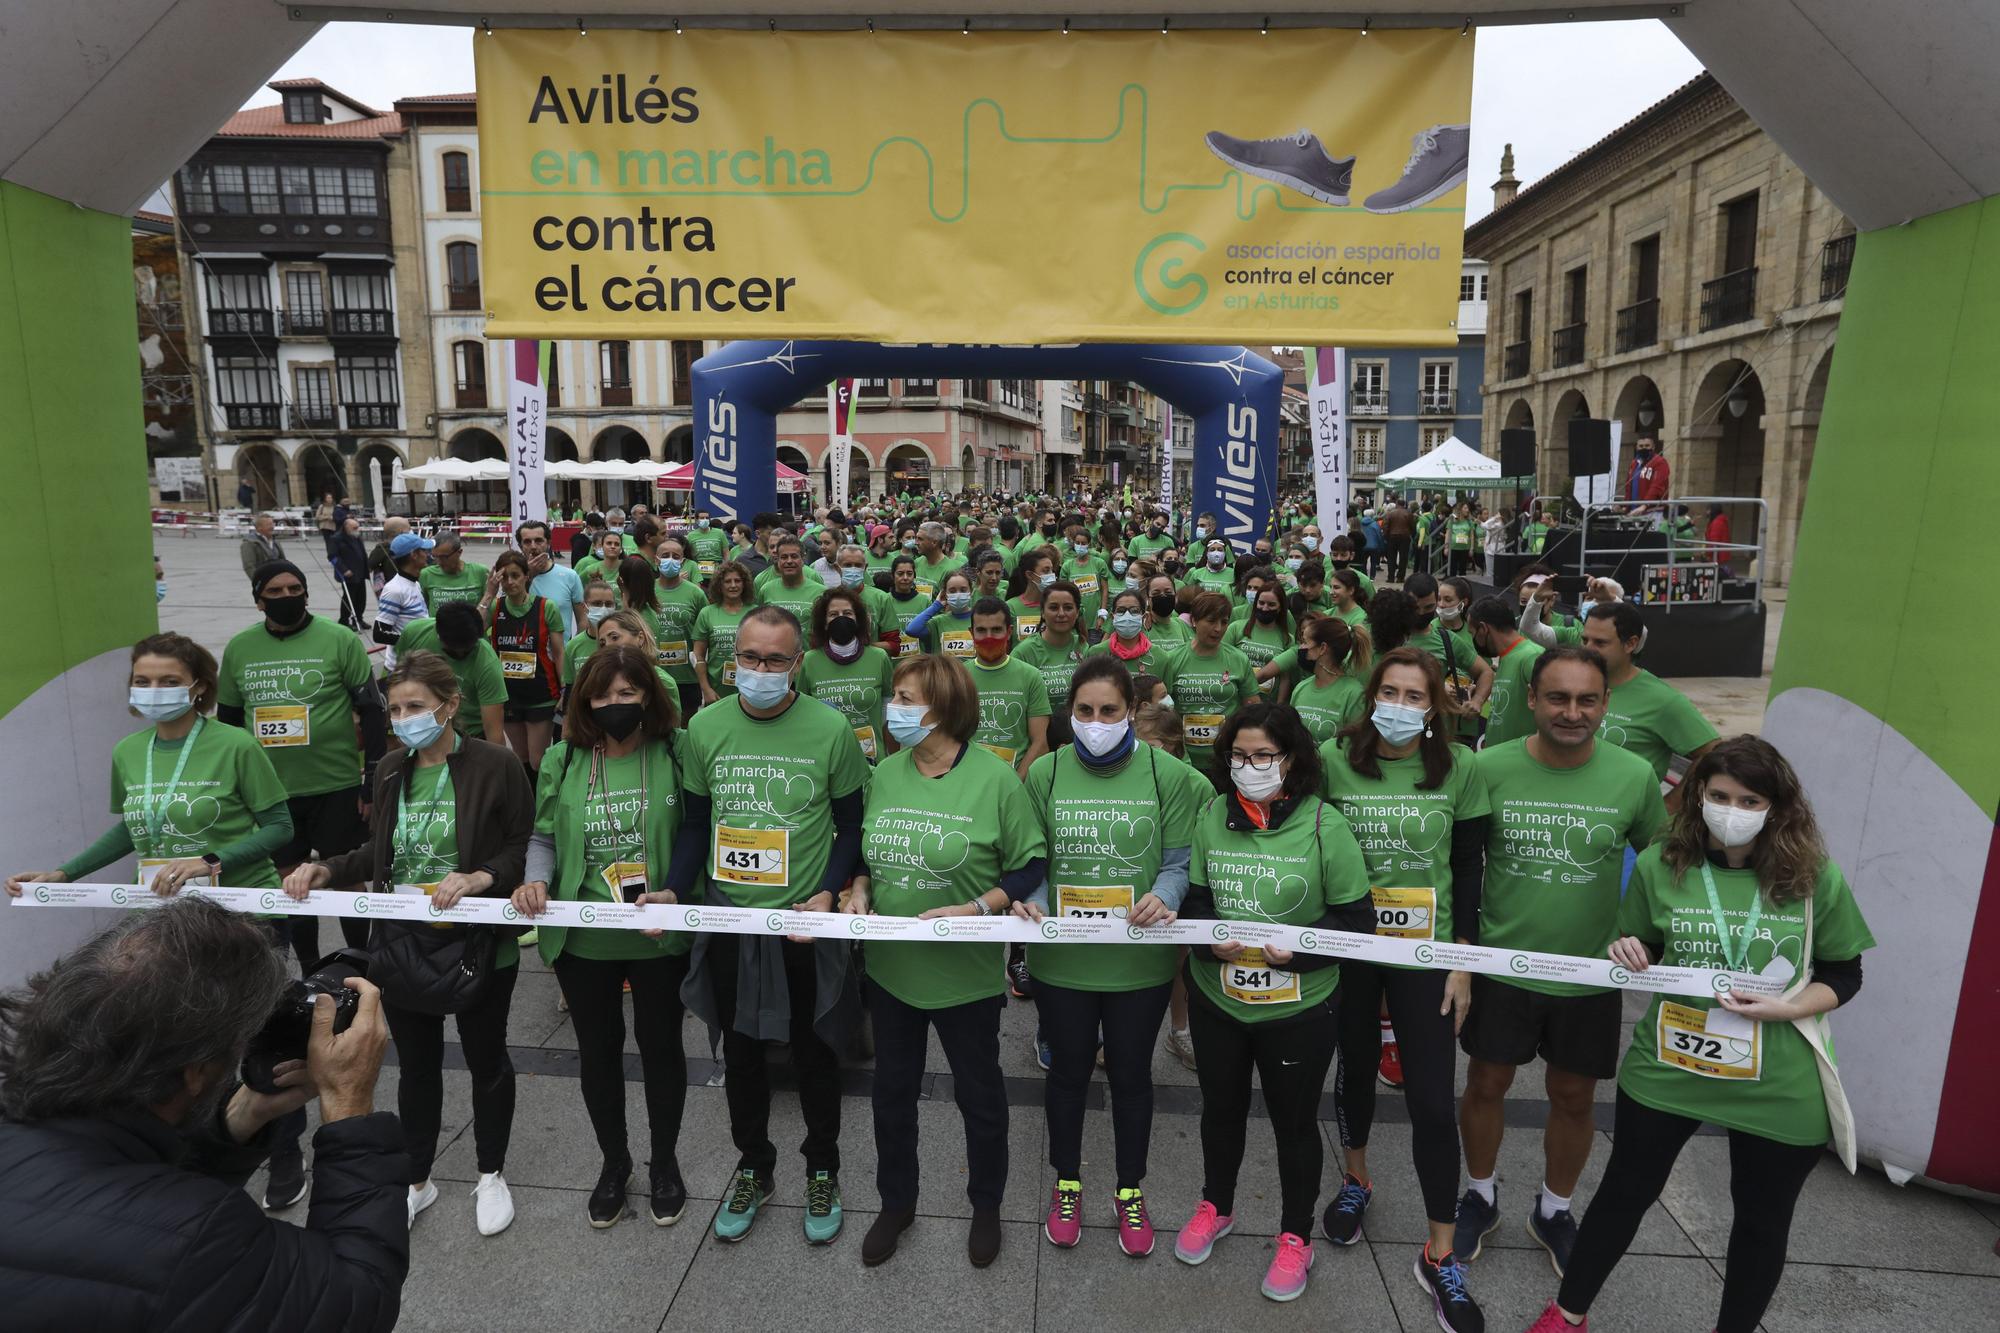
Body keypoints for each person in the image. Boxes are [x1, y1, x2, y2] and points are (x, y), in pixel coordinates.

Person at [1526, 736, 1875, 1333]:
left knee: (1762, 1223)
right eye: (1719, 795)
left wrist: (1786, 1008)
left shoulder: (1815, 878)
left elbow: (1844, 973)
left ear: (1776, 806)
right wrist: (1629, 949)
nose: (1731, 810)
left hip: (1778, 1077)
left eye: (1749, 799)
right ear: (1697, 797)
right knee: (1622, 1194)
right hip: (1671, 1063)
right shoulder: (1665, 865)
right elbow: (1646, 944)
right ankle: (1566, 1315)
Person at [0, 897, 404, 1328]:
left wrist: (237, 1118)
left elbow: (121, 1198)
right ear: (195, 1071)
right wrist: (349, 1106)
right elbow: (357, 1300)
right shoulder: (198, 1238)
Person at [283, 651, 532, 1236]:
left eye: (415, 706)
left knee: (486, 1059)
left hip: (475, 943)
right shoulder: (393, 767)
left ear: (450, 706)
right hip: (402, 944)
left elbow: (524, 844)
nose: (403, 718)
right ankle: (418, 1178)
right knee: (416, 1066)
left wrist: (482, 877)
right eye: (395, 709)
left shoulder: (496, 765)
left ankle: (491, 1172)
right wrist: (330, 868)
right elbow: (383, 852)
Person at [1454, 649, 1668, 1277]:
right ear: (1532, 700)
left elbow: (1660, 866)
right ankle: (1480, 1194)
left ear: (1605, 703)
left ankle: (1554, 1210)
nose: (1572, 712)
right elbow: (1464, 866)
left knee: (1574, 1097)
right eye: (1557, 698)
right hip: (1501, 967)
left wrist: (1645, 941)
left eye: (1587, 700)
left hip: (1588, 976)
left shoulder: (1634, 777)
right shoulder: (1486, 767)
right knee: (1486, 1084)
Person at [670, 606, 868, 1246]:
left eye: (775, 660)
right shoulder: (704, 726)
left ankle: (823, 1168)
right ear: (733, 660)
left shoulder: (831, 729)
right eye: (750, 658)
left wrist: (828, 892)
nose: (759, 670)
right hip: (732, 921)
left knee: (815, 1054)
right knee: (744, 1053)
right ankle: (754, 1164)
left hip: (803, 924)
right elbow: (696, 823)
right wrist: (676, 887)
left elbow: (850, 825)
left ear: (797, 664)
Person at [845, 654, 1047, 1269]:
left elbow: (1029, 864)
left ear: (943, 708)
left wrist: (978, 907)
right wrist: (859, 888)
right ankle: (896, 1202)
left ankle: (986, 1207)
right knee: (891, 1095)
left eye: (907, 699)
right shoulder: (885, 772)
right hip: (891, 971)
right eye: (895, 698)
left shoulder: (996, 779)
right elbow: (866, 849)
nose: (894, 710)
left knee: (980, 1099)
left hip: (964, 977)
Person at [1171, 701, 1373, 1302]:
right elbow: (1198, 903)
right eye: (1239, 755)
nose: (1250, 765)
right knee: (1220, 1109)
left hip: (1298, 1008)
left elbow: (1357, 923)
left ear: (1292, 759)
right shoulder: (1212, 814)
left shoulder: (1322, 825)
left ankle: (1295, 1237)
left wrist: (1300, 956)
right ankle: (1218, 1205)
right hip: (1220, 1001)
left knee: (1293, 1124)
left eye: (1264, 755)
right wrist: (1212, 946)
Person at [1318, 647, 1491, 1332]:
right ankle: (1357, 1177)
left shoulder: (1461, 768)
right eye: (1387, 691)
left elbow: (1469, 869)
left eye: (1413, 695)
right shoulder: (1334, 758)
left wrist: (1463, 960)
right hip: (1353, 945)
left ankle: (1441, 1250)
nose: (1398, 704)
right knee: (1356, 1065)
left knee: (1428, 1095)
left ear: (1435, 706)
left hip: (1427, 949)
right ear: (1370, 697)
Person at [1013, 656, 1195, 1257]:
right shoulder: (1046, 773)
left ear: (1131, 712)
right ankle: (1067, 1184)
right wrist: (1034, 901)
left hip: (1137, 962)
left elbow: (1177, 861)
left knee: (1131, 1076)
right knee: (1066, 1074)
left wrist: (1164, 898)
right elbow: (1031, 860)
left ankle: (1129, 1190)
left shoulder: (1167, 774)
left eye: (1109, 711)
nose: (1095, 721)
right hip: (1063, 961)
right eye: (1084, 711)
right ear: (1070, 712)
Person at [512, 646, 699, 1227]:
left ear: (650, 695)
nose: (614, 705)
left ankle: (664, 1162)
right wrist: (534, 882)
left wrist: (675, 889)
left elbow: (698, 826)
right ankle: (614, 1163)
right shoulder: (565, 758)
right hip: (586, 935)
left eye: (627, 693)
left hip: (657, 933)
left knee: (662, 1049)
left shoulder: (676, 749)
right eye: (602, 694)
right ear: (584, 700)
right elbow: (543, 835)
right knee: (598, 1053)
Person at [221, 557, 385, 1091]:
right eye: (276, 589)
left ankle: (362, 969)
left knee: (348, 879)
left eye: (296, 587)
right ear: (258, 597)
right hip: (273, 796)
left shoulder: (340, 640)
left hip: (336, 785)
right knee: (291, 884)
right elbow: (226, 727)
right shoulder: (240, 650)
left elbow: (373, 712)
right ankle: (312, 972)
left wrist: (370, 781)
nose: (288, 595)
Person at [7, 633, 291, 902]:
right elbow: (133, 829)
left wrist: (209, 862)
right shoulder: (127, 751)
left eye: (169, 682)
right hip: (160, 907)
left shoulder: (237, 745)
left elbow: (279, 827)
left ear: (200, 686)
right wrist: (64, 874)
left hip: (240, 906)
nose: (154, 691)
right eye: (142, 682)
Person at [1580, 602, 1720, 804]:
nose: (1588, 649)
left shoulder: (1662, 700)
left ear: (1630, 644)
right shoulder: (1574, 684)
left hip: (1627, 827)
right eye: (1585, 640)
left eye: (1600, 643)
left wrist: (1670, 805)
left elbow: (1713, 752)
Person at [1157, 592, 1257, 786]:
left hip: (1225, 759)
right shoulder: (1172, 659)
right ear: (1194, 620)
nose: (1218, 629)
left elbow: (1252, 708)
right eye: (1211, 621)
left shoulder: (1238, 659)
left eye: (1224, 622)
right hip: (1183, 759)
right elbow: (1161, 710)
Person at [483, 550, 565, 778]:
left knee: (538, 760)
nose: (510, 582)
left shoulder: (546, 607)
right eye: (504, 577)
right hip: (508, 695)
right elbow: (472, 632)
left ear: (527, 576)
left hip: (541, 694)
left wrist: (566, 689)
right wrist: (489, 594)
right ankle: (525, 808)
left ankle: (544, 807)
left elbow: (559, 652)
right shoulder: (495, 607)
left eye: (515, 575)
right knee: (520, 758)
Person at [798, 585, 896, 763]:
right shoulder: (809, 661)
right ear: (824, 622)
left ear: (858, 620)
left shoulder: (879, 658)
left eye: (848, 613)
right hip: (826, 758)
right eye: (833, 615)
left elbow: (888, 711)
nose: (841, 619)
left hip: (873, 759)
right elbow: (803, 714)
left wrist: (892, 756)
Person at [396, 602, 508, 742]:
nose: (462, 654)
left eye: (468, 650)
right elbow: (399, 682)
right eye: (454, 652)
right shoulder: (414, 634)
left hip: (470, 736)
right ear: (438, 636)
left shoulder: (487, 664)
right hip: (423, 728)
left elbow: (494, 734)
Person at [966, 597, 1051, 777]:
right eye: (981, 630)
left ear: (1009, 631)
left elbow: (1040, 743)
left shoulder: (1031, 676)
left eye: (996, 630)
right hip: (967, 780)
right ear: (971, 633)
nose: (989, 637)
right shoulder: (957, 676)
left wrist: (1014, 786)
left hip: (1017, 780)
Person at [1466, 595, 1545, 749]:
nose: (1473, 640)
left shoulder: (1532, 656)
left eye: (1472, 633)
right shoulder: (1507, 656)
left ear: (1483, 629)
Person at [1280, 615, 1371, 743]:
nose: (1300, 648)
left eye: (1305, 642)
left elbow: (1356, 746)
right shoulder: (1301, 687)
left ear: (1322, 648)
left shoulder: (1354, 694)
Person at [651, 533, 710, 719]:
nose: (670, 560)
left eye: (676, 557)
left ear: (683, 561)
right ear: (656, 560)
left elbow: (706, 633)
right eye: (665, 555)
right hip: (654, 674)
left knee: (686, 725)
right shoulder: (647, 590)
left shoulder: (695, 593)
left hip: (688, 676)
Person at [692, 560, 755, 704]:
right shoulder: (707, 613)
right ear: (719, 585)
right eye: (727, 581)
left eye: (737, 581)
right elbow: (698, 656)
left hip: (750, 689)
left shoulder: (755, 613)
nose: (733, 585)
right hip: (716, 690)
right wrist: (706, 689)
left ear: (744, 584)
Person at [516, 520, 587, 641]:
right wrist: (528, 575)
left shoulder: (570, 576)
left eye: (539, 541)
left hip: (560, 655)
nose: (533, 546)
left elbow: (582, 620)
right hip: (525, 654)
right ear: (520, 546)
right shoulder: (513, 577)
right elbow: (512, 610)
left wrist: (573, 649)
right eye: (527, 542)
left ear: (548, 543)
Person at [372, 531, 433, 671]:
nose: (428, 554)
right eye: (424, 550)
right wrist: (420, 639)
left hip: (417, 664)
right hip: (403, 670)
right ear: (414, 555)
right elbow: (379, 633)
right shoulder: (395, 590)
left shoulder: (415, 583)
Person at [1087, 585, 1174, 678]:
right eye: (1121, 610)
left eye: (1134, 611)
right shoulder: (1096, 653)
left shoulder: (1160, 657)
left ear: (1143, 617)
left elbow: (1164, 691)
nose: (1127, 615)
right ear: (1113, 617)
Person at [561, 577, 620, 691]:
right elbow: (570, 687)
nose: (603, 609)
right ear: (585, 607)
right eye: (597, 604)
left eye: (608, 604)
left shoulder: (622, 642)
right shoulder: (573, 646)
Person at [755, 534, 824, 624]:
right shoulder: (766, 590)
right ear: (778, 560)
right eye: (784, 557)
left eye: (794, 556)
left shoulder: (821, 592)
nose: (789, 561)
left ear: (803, 558)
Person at [330, 516, 371, 630]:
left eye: (357, 527)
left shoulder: (356, 536)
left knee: (361, 598)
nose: (357, 529)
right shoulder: (336, 538)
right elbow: (332, 556)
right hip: (348, 574)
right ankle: (344, 620)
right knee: (349, 599)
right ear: (346, 527)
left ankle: (358, 619)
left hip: (360, 572)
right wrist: (344, 570)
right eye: (354, 527)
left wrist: (368, 566)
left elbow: (362, 553)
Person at [239, 512, 286, 583]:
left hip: (280, 582)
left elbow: (284, 562)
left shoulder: (276, 542)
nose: (272, 527)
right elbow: (249, 567)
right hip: (264, 582)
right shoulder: (249, 543)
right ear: (259, 528)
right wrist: (260, 582)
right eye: (268, 525)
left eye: (272, 524)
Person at [1381, 499, 1415, 582]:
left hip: (1392, 537)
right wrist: (1411, 534)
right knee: (1403, 558)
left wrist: (1386, 536)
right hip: (1405, 537)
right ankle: (1400, 577)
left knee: (1391, 558)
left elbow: (1385, 526)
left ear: (1396, 504)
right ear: (1404, 505)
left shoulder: (1390, 513)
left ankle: (1390, 577)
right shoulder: (1408, 513)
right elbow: (1412, 526)